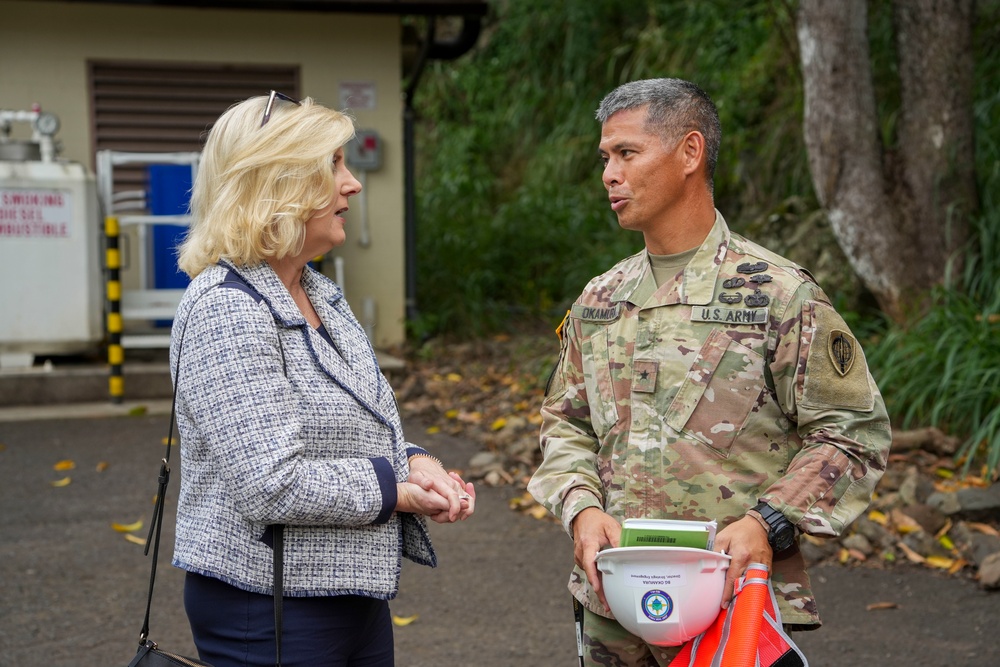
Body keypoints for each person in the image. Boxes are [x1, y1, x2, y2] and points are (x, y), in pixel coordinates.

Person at [527, 78, 891, 666]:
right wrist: (581, 508)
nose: (608, 175)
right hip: (613, 609)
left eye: (626, 154)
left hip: (732, 602)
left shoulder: (776, 294)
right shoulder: (601, 299)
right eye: (605, 158)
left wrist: (768, 523)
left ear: (690, 153)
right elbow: (564, 426)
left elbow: (853, 433)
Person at [169, 91, 475, 667]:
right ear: (276, 183)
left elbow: (343, 429)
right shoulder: (225, 307)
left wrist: (414, 461)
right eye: (331, 165)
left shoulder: (317, 293)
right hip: (269, 606)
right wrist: (397, 490)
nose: (352, 183)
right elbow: (272, 483)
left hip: (346, 601)